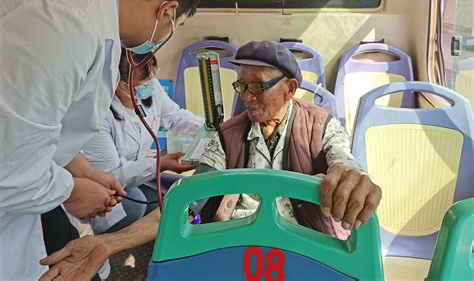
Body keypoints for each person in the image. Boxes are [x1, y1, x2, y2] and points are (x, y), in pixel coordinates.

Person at [39, 42, 382, 281]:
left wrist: (351, 179)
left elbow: (343, 161)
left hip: (305, 245)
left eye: (257, 87)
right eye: (241, 86)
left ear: (290, 89)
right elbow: (188, 204)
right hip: (236, 242)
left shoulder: (319, 125)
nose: (246, 97)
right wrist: (108, 243)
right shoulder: (229, 135)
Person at [0, 0, 202, 280]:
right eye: (175, 27)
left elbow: (41, 127)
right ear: (166, 11)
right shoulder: (67, 26)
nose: (164, 38)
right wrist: (72, 190)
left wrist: (83, 171)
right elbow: (10, 170)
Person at [83, 49, 204, 234]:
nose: (150, 86)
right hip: (103, 183)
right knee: (135, 206)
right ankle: (110, 240)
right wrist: (160, 164)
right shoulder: (97, 116)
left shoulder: (151, 88)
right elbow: (113, 175)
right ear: (116, 83)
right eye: (142, 83)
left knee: (166, 200)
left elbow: (174, 116)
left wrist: (212, 128)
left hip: (136, 175)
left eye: (152, 77)